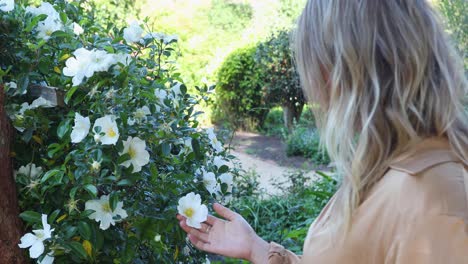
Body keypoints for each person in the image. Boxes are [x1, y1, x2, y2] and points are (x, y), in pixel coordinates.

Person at [177, 0, 468, 263]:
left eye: (314, 65)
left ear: (345, 69)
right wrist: (257, 248)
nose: (313, 87)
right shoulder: (391, 166)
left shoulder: (435, 198)